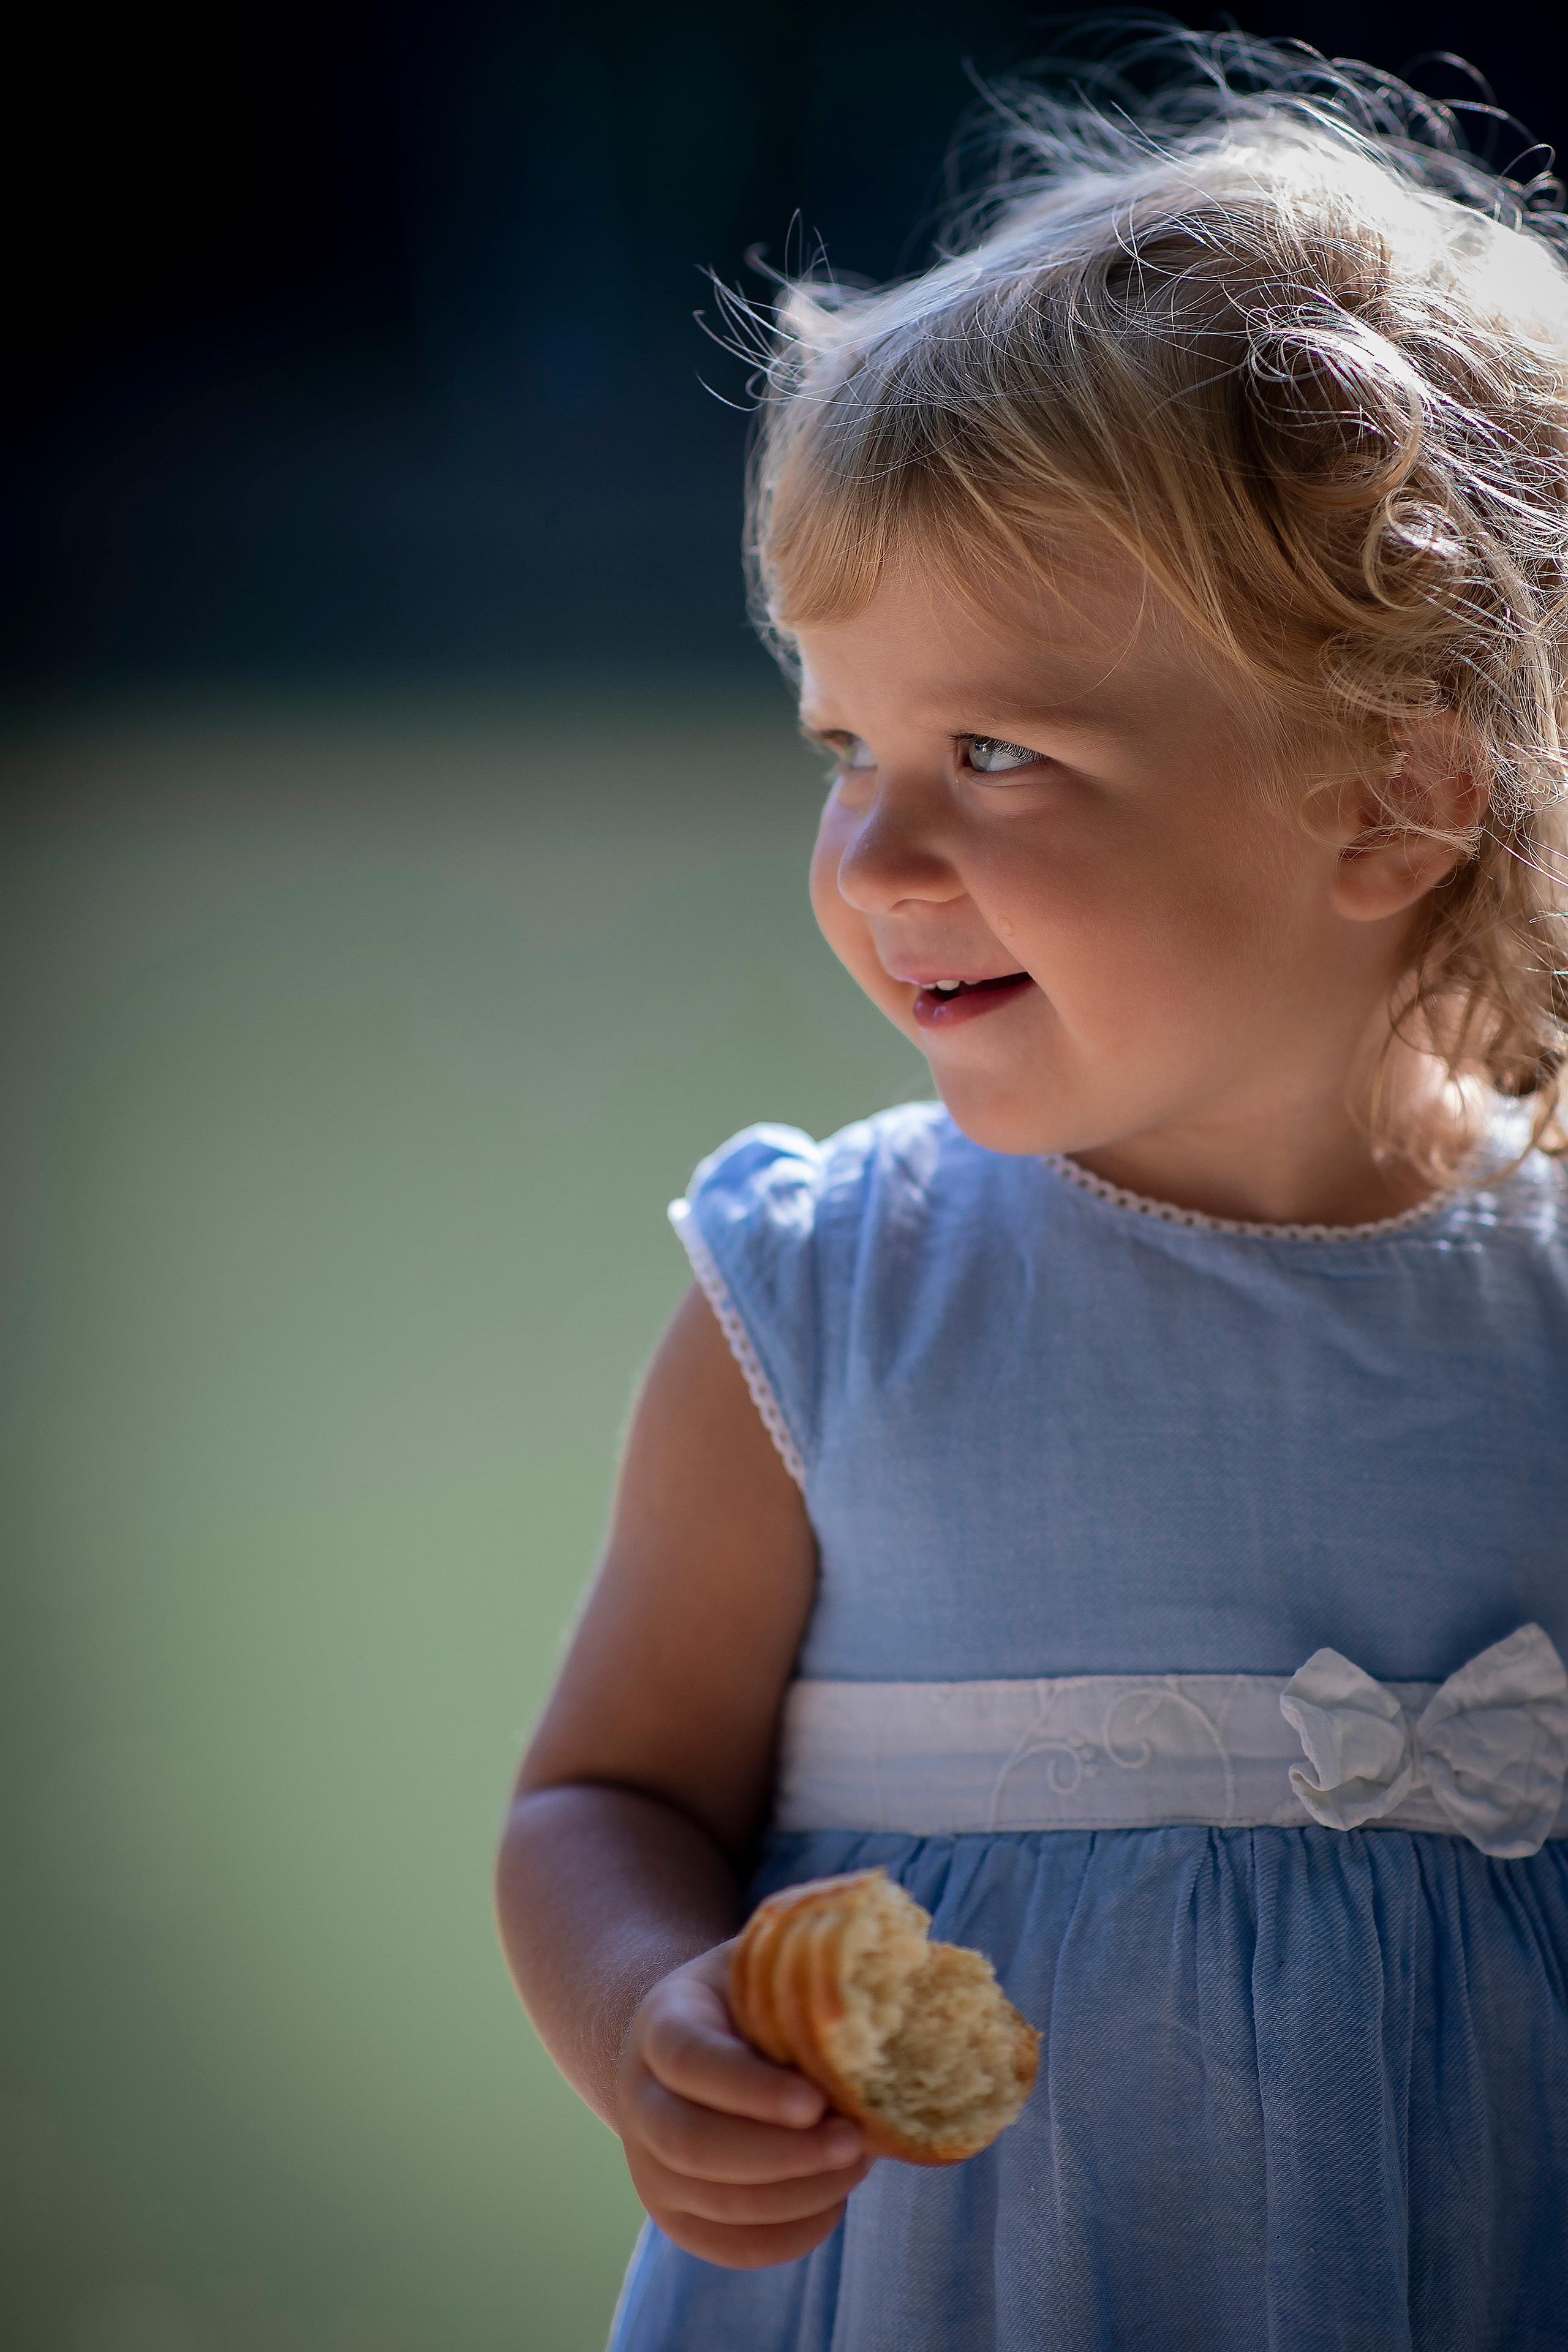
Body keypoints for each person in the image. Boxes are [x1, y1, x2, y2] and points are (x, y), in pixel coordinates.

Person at [496, 37, 1568, 2351]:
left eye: (998, 753)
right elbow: (596, 1794)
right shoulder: (826, 1307)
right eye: (846, 749)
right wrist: (653, 2024)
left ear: (1395, 800)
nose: (876, 856)